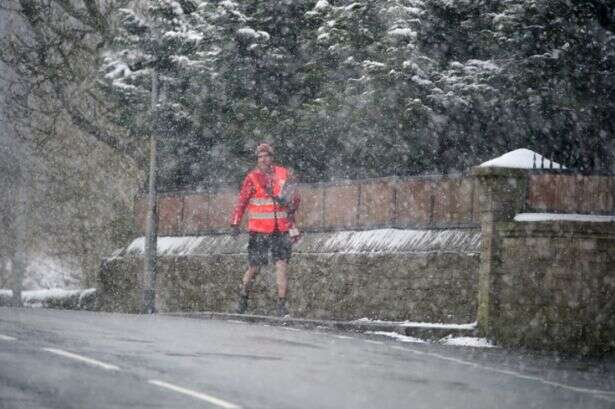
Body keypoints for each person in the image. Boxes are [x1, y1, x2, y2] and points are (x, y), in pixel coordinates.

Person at [230, 143, 301, 317]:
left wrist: (291, 207)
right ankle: (243, 298)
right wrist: (235, 223)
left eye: (266, 156)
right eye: (260, 156)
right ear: (257, 159)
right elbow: (242, 202)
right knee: (254, 267)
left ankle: (281, 305)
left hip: (281, 228)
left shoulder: (284, 174)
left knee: (281, 265)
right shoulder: (252, 177)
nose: (263, 159)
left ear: (272, 157)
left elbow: (295, 198)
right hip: (259, 230)